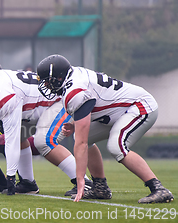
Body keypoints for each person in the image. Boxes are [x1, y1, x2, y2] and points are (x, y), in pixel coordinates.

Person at [36, 54, 174, 204]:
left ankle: (158, 188)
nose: (46, 86)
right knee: (85, 137)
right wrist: (76, 125)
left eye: (48, 82)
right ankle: (100, 187)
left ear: (59, 78)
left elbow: (81, 144)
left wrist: (80, 179)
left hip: (140, 106)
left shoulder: (75, 91)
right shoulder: (73, 79)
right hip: (119, 111)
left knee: (116, 146)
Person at [0, 58, 105, 196]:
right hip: (35, 108)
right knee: (19, 138)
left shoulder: (2, 94)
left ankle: (84, 182)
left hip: (58, 101)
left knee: (43, 141)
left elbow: (10, 138)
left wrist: (10, 176)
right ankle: (28, 183)